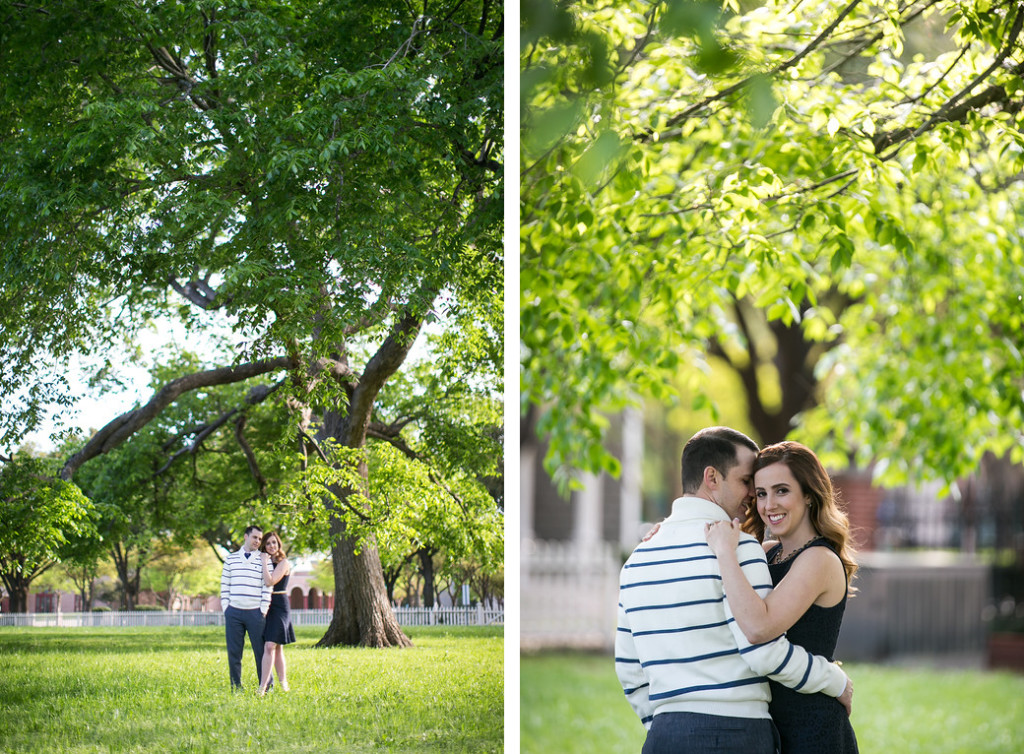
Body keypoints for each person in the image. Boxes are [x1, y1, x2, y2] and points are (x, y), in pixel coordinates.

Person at [616, 427, 852, 754]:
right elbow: (760, 646)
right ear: (712, 478)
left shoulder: (641, 557)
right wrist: (835, 680)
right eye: (753, 487)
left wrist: (663, 725)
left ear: (809, 494)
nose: (759, 502)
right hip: (739, 729)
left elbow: (628, 668)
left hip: (797, 724)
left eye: (780, 490)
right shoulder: (749, 549)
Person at [705, 440, 859, 753]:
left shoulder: (819, 560)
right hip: (767, 727)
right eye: (761, 493)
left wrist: (725, 553)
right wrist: (662, 531)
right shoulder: (765, 553)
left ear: (809, 494)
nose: (769, 504)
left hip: (812, 729)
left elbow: (759, 627)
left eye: (782, 490)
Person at [220, 525, 272, 690]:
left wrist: (263, 610)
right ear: (246, 537)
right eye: (254, 537)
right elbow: (224, 585)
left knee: (261, 652)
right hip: (234, 612)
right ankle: (236, 686)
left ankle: (265, 686)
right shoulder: (231, 559)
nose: (257, 541)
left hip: (256, 613)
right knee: (234, 652)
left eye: (259, 538)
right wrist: (226, 608)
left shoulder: (265, 560)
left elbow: (267, 587)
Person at [257, 530, 296, 696]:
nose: (271, 546)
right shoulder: (261, 561)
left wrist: (264, 563)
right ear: (264, 546)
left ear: (278, 544)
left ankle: (262, 687)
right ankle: (282, 683)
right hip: (265, 605)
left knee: (270, 645)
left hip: (279, 605)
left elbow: (270, 581)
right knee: (276, 647)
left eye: (274, 542)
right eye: (268, 543)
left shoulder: (283, 563)